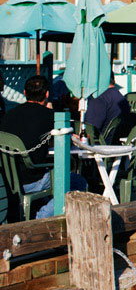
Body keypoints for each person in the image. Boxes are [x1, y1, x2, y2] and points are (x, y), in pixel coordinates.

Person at [1, 75, 86, 219]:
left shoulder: (8, 115)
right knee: (78, 182)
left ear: (24, 92)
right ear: (46, 94)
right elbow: (69, 139)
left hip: (9, 179)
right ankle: (42, 217)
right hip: (34, 179)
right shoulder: (50, 116)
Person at [83, 72, 130, 137]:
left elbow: (89, 133)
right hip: (117, 143)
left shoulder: (98, 99)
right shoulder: (121, 98)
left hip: (98, 144)